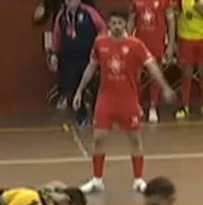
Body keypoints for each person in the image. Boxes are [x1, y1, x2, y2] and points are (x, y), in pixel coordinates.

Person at [73, 11, 176, 195]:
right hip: (106, 99)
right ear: (108, 25)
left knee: (135, 140)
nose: (117, 26)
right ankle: (97, 180)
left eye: (120, 23)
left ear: (125, 25)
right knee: (98, 139)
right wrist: (80, 90)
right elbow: (91, 66)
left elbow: (152, 66)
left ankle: (138, 180)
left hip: (128, 100)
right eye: (113, 23)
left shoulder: (135, 45)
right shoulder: (100, 43)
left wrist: (165, 87)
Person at [51, 0, 107, 128]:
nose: (71, 2)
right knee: (72, 88)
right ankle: (81, 117)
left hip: (88, 57)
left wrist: (100, 46)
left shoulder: (89, 12)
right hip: (68, 58)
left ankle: (99, 116)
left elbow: (102, 28)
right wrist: (54, 54)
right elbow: (57, 35)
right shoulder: (61, 16)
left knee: (94, 87)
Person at [129, 0, 176, 123]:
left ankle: (153, 106)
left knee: (155, 76)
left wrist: (170, 45)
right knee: (135, 76)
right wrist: (127, 41)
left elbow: (171, 22)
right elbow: (131, 21)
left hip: (157, 43)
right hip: (138, 44)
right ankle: (136, 107)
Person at [174, 0, 203, 119]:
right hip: (185, 39)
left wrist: (202, 11)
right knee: (187, 73)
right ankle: (185, 106)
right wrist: (175, 42)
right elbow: (175, 17)